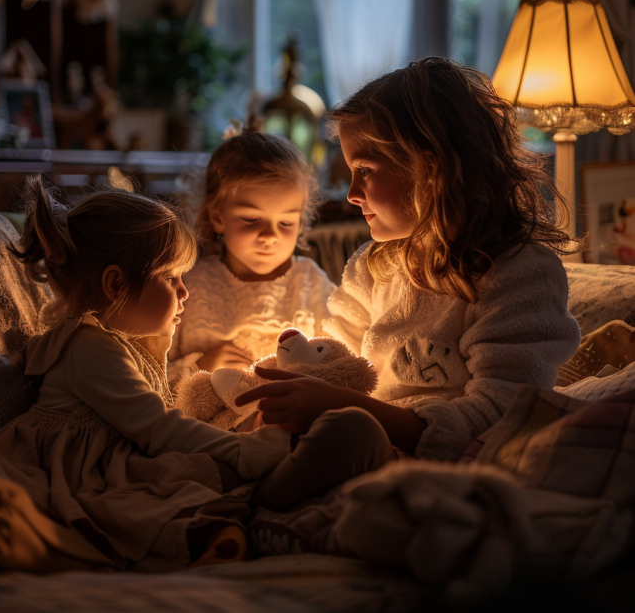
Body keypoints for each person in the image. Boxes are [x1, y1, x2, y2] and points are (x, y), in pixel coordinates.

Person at [236, 57, 582, 467]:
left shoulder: (519, 274)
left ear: (429, 168)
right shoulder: (373, 265)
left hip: (439, 463)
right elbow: (338, 361)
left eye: (364, 170)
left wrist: (354, 412)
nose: (350, 193)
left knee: (345, 432)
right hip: (360, 446)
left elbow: (502, 415)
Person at [0, 175, 293, 571]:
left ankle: (225, 529)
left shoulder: (116, 341)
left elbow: (152, 402)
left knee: (207, 470)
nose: (184, 292)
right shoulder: (88, 346)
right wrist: (241, 450)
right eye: (171, 278)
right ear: (116, 284)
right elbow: (157, 427)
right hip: (86, 475)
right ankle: (219, 535)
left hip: (117, 455)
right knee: (207, 474)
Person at [167, 128, 336, 387]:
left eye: (287, 222)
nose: (270, 235)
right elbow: (152, 378)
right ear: (217, 216)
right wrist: (199, 367)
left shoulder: (311, 284)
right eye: (251, 219)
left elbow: (338, 361)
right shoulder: (191, 286)